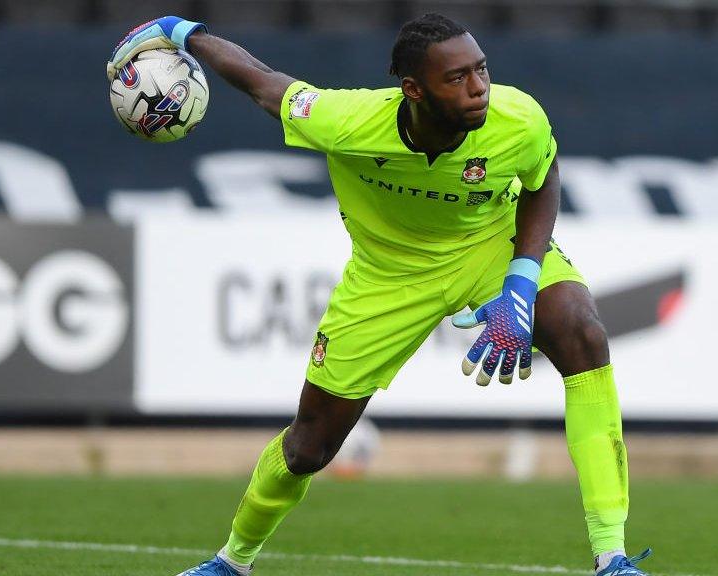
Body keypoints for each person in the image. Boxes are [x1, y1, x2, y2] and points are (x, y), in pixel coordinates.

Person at [107, 13, 650, 576]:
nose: (478, 87)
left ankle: (611, 556)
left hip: (487, 243)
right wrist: (183, 32)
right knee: (307, 449)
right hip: (386, 275)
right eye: (457, 77)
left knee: (582, 332)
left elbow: (543, 177)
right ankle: (231, 562)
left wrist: (522, 277)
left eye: (481, 69)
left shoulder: (518, 118)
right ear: (413, 91)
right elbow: (261, 81)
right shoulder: (348, 122)